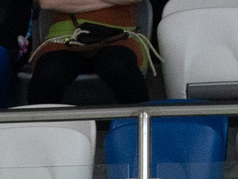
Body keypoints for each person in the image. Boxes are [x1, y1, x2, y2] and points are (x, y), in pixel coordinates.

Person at [22, 0, 155, 103]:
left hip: (118, 36)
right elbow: (48, 2)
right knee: (49, 71)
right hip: (65, 39)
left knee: (117, 64)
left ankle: (143, 130)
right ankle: (43, 132)